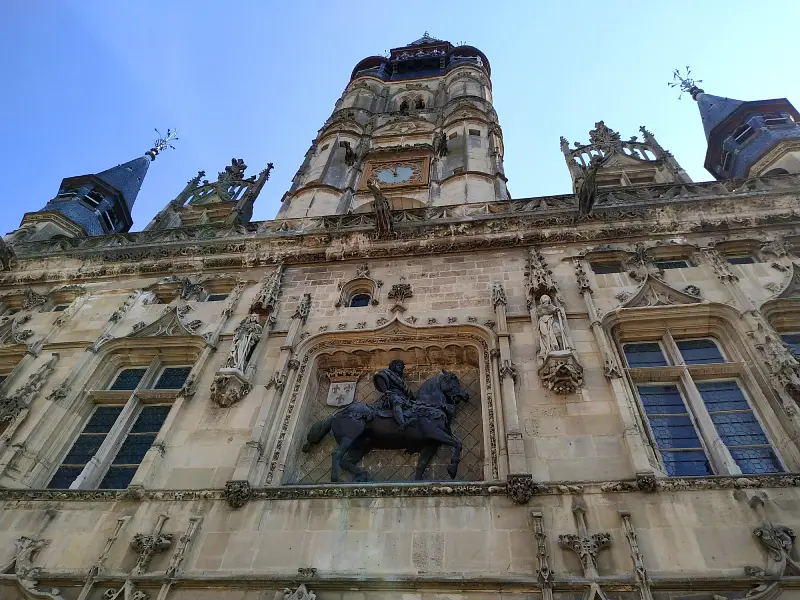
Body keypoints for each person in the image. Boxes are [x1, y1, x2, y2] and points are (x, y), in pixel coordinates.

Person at [373, 359, 415, 428]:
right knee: (396, 400)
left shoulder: (400, 379)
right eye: (398, 365)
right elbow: (379, 377)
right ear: (393, 366)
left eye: (401, 366)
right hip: (392, 394)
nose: (400, 367)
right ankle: (402, 423)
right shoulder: (386, 372)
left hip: (403, 396)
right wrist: (385, 390)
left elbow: (407, 391)